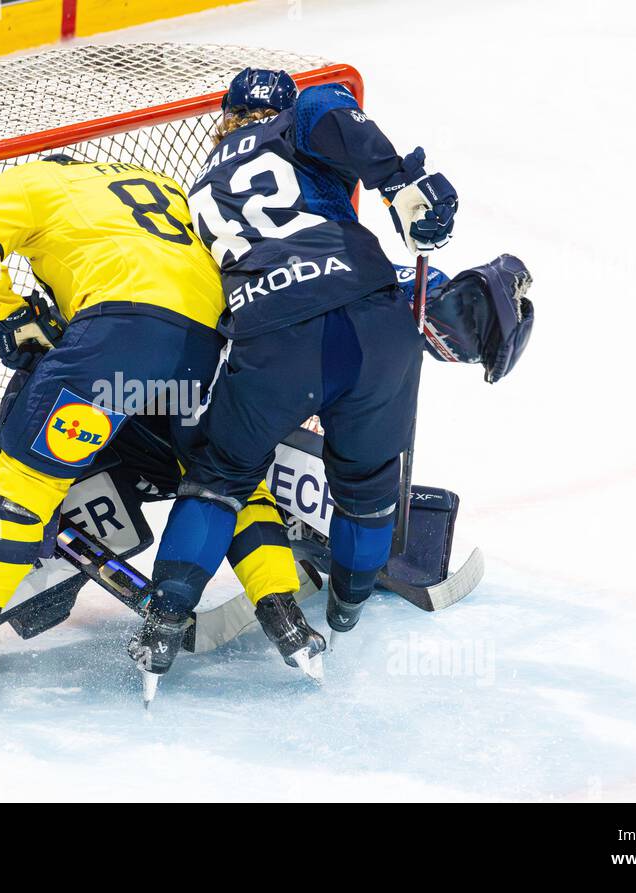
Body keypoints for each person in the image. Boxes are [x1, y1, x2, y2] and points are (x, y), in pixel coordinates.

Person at [0, 155, 324, 698]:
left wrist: (11, 311)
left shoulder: (40, 180)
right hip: (199, 352)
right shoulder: (163, 183)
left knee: (27, 483)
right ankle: (285, 615)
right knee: (225, 480)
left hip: (113, 343)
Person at [135, 68, 461, 689]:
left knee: (218, 480)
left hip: (272, 335)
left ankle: (161, 626)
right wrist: (401, 182)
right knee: (367, 486)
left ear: (227, 114)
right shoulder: (301, 116)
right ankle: (347, 611)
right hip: (372, 320)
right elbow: (328, 113)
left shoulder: (198, 186)